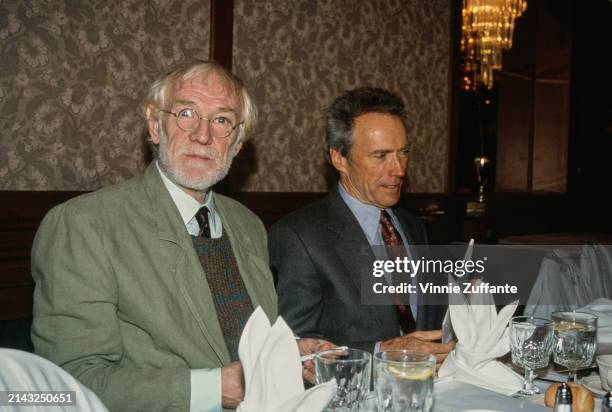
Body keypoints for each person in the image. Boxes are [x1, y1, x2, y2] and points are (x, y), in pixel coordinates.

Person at [31, 60, 328, 412]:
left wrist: (287, 353)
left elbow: (236, 341)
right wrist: (212, 388)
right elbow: (68, 383)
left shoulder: (247, 225)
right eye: (186, 113)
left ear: (237, 142)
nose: (203, 136)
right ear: (155, 125)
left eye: (221, 120)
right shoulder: (84, 225)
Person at [269, 87, 453, 362]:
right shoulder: (299, 237)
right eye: (381, 156)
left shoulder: (412, 226)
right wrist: (382, 352)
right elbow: (295, 349)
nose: (399, 169)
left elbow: (425, 319)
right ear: (339, 158)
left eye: (403, 152)